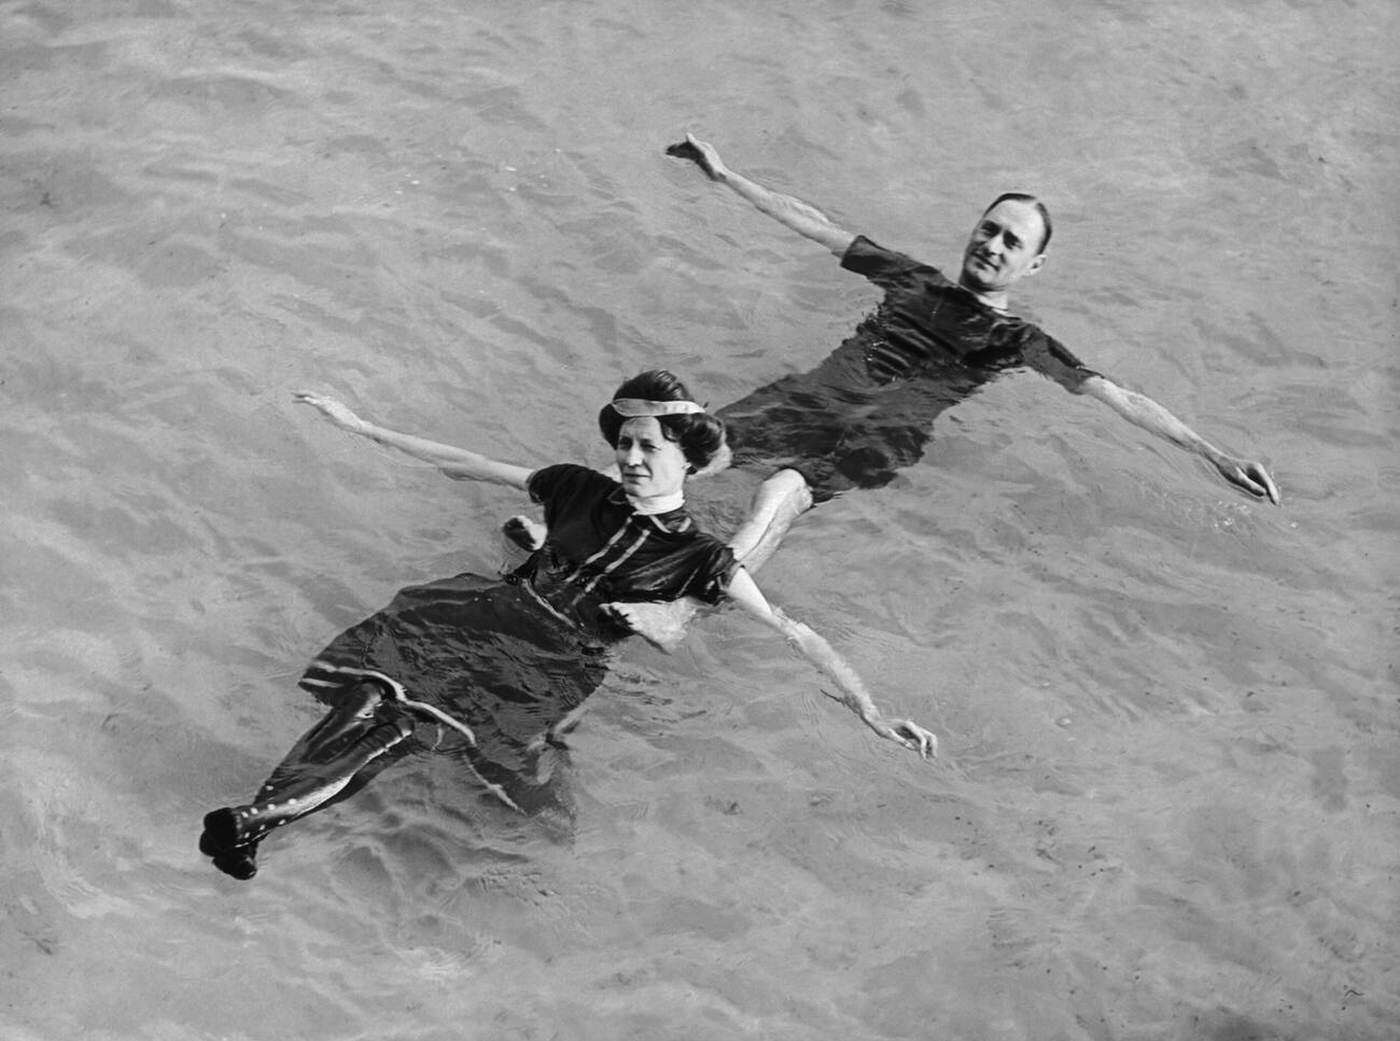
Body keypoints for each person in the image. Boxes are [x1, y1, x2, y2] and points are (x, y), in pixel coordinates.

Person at [510, 134, 1282, 646]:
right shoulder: (910, 275)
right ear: (972, 231)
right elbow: (815, 225)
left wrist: (1214, 453)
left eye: (1013, 241)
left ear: (1032, 267)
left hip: (879, 432)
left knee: (780, 491)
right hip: (809, 397)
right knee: (688, 447)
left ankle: (680, 607)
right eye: (990, 228)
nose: (994, 243)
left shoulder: (1021, 341)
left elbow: (1118, 396)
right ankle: (564, 531)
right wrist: (726, 176)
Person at [198, 371, 936, 880]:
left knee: (403, 729)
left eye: (650, 446)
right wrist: (360, 425)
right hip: (486, 612)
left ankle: (261, 820)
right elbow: (469, 462)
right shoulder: (576, 486)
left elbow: (793, 629)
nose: (632, 456)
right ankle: (253, 816)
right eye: (626, 442)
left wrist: (872, 710)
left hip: (550, 662)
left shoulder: (699, 558)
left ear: (686, 457)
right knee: (366, 696)